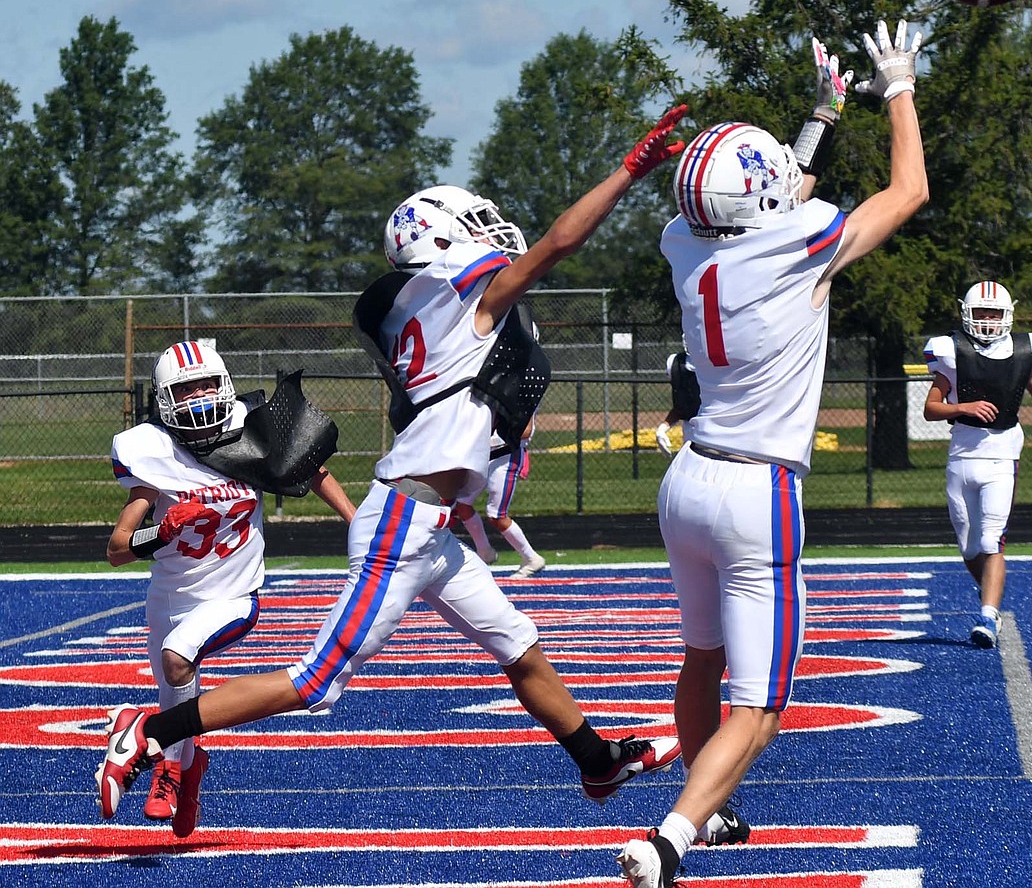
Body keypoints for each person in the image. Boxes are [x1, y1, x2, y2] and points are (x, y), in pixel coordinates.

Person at [96, 107, 690, 824]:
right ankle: (149, 730)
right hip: (403, 524)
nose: (493, 240)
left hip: (427, 526)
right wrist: (629, 171)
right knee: (314, 681)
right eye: (473, 227)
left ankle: (597, 763)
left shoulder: (424, 316)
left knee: (519, 643)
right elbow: (560, 242)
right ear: (443, 241)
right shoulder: (461, 306)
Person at [616, 21, 929, 888]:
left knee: (702, 661)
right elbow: (907, 190)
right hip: (760, 490)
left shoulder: (687, 245)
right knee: (760, 708)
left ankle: (702, 805)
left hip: (690, 476)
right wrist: (897, 84)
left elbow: (778, 195)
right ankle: (672, 837)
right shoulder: (798, 243)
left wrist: (821, 120)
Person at [106, 341, 357, 836]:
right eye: (185, 389)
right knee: (175, 699)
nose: (198, 397)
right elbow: (117, 548)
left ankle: (171, 770)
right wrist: (164, 528)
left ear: (224, 385)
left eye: (205, 385)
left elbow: (315, 471)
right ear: (163, 398)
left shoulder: (252, 429)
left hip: (234, 595)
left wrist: (357, 522)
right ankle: (188, 765)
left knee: (179, 658)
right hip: (170, 596)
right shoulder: (151, 449)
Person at [922, 280, 1032, 648]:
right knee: (969, 545)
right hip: (962, 456)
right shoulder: (951, 352)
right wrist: (962, 407)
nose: (987, 320)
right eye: (981, 312)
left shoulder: (1021, 351)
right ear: (967, 313)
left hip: (1002, 455)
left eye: (994, 313)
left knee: (991, 539)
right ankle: (990, 596)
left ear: (1008, 315)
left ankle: (987, 615)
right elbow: (930, 408)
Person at [454, 414, 546, 577]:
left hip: (506, 455)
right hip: (486, 454)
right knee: (462, 504)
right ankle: (484, 551)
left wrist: (487, 438)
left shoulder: (522, 391)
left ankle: (531, 558)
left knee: (497, 514)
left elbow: (525, 432)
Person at [655, 345, 699, 457]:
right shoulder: (676, 363)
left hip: (722, 443)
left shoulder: (724, 366)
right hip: (691, 444)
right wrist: (662, 429)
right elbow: (682, 407)